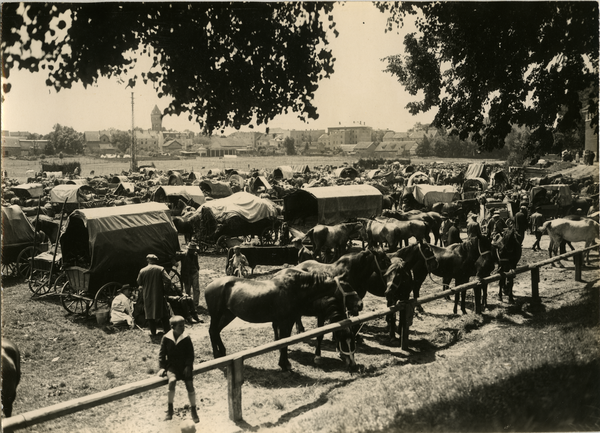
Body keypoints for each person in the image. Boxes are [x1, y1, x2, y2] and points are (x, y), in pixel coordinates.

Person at [158, 315, 199, 423]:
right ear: (173, 327)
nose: (183, 328)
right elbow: (162, 355)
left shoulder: (186, 338)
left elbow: (190, 354)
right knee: (172, 381)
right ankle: (170, 409)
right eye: (180, 326)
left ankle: (193, 409)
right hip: (172, 366)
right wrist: (162, 368)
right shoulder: (166, 338)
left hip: (185, 366)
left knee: (189, 385)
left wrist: (187, 366)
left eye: (184, 325)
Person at [137, 254, 171, 337]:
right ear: (156, 260)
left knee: (149, 313)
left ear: (148, 260)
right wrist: (164, 290)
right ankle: (167, 331)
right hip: (158, 294)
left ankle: (153, 332)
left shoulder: (142, 270)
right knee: (163, 313)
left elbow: (139, 282)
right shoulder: (160, 269)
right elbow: (168, 280)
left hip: (147, 295)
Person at [180, 242, 200, 307]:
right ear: (189, 250)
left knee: (196, 288)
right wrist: (174, 262)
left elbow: (196, 263)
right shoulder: (183, 255)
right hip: (186, 274)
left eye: (195, 250)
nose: (194, 251)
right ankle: (188, 302)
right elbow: (175, 258)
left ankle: (195, 303)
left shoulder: (195, 254)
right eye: (193, 250)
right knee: (187, 289)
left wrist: (197, 269)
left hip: (194, 273)